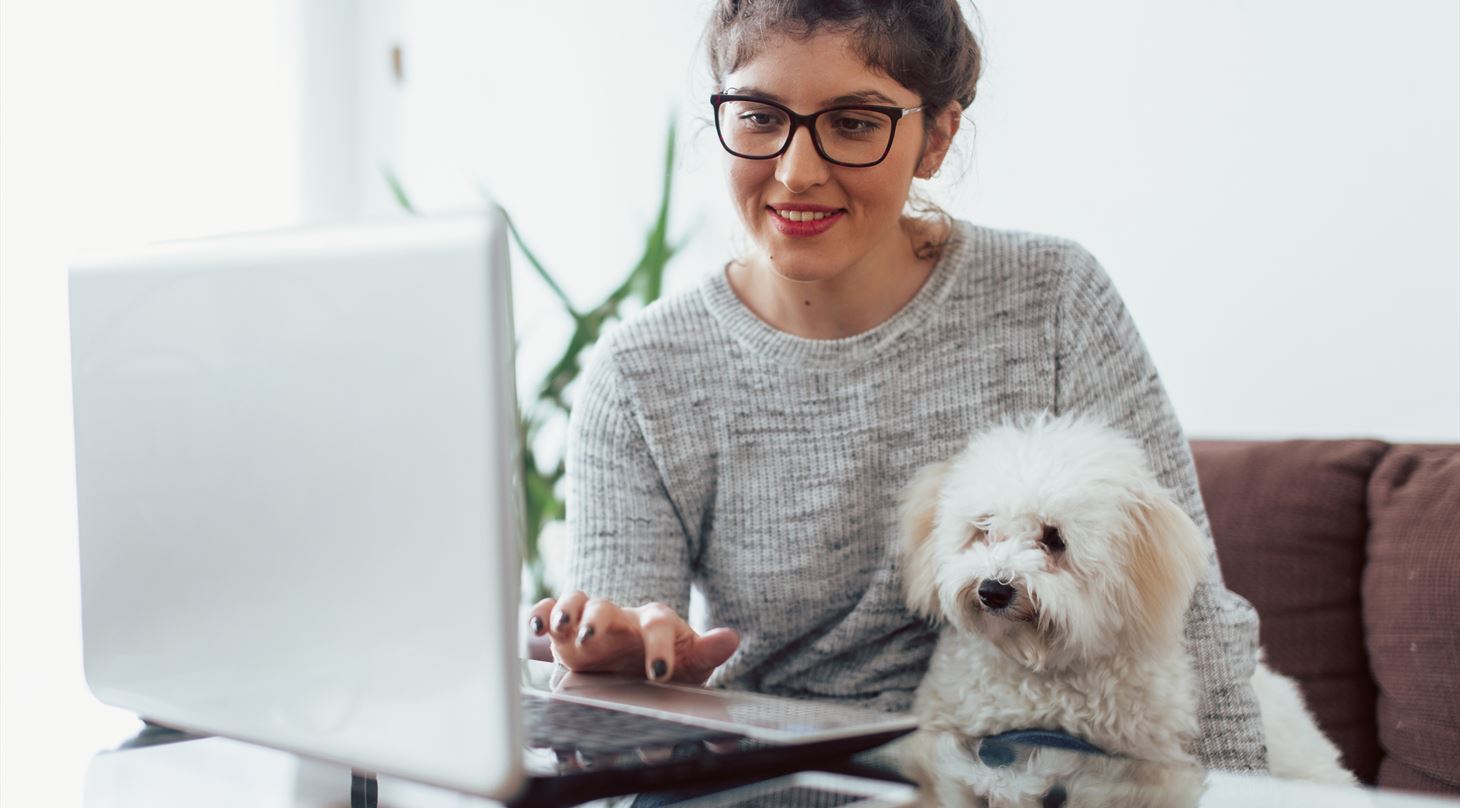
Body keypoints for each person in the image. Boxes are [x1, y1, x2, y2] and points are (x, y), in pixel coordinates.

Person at [528, 0, 1267, 770]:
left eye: (853, 123)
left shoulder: (1053, 301)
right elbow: (613, 731)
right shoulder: (642, 375)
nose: (796, 172)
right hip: (764, 782)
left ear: (936, 138)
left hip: (1018, 776)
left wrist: (1251, 793)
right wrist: (620, 690)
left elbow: (1194, 622)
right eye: (757, 117)